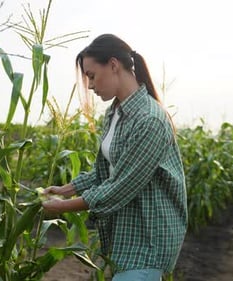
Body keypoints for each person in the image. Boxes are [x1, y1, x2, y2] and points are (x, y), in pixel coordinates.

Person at [42, 34, 187, 281]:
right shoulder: (115, 113)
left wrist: (62, 207)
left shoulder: (149, 120)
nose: (89, 85)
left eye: (91, 75)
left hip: (148, 239)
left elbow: (119, 187)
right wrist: (65, 189)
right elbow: (104, 173)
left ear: (113, 65)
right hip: (127, 235)